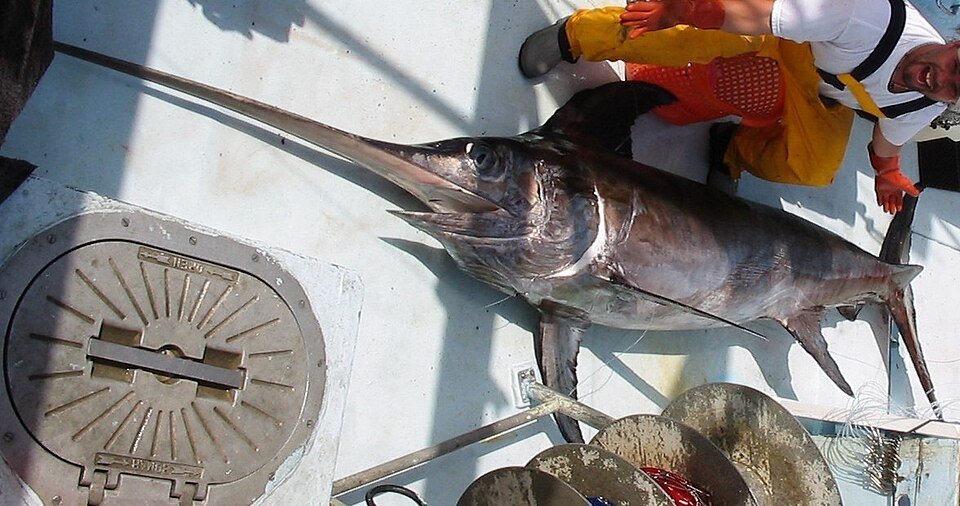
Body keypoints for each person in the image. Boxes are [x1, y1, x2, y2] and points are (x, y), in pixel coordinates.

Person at [518, 0, 960, 213]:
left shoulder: (926, 105)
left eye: (955, 90)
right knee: (686, 29)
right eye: (955, 65)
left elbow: (889, 136)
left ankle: (731, 149)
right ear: (954, 42)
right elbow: (755, 13)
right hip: (780, 27)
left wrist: (887, 173)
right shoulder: (865, 14)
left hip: (823, 88)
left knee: (815, 170)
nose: (941, 79)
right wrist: (689, 10)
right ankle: (575, 36)